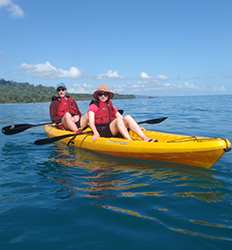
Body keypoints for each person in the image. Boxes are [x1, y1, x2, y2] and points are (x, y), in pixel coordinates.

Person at [88, 84, 156, 142]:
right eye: (100, 94)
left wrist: (135, 127)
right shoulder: (94, 106)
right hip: (101, 131)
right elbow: (91, 122)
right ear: (97, 96)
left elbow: (120, 117)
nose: (103, 96)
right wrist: (96, 133)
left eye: (105, 94)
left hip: (111, 128)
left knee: (127, 117)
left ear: (108, 96)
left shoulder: (110, 105)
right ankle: (130, 141)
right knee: (118, 119)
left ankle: (145, 138)